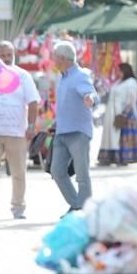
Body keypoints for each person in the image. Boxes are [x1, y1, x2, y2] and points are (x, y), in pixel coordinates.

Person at [0, 40, 40, 221]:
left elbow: (33, 102)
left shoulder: (23, 75)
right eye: (2, 55)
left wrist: (32, 125)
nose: (6, 59)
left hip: (16, 132)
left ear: (14, 55)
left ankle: (18, 207)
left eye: (9, 55)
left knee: (18, 172)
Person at [50, 40, 98, 214]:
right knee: (56, 171)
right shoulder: (61, 77)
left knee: (81, 173)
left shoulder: (81, 75)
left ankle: (84, 209)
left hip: (78, 132)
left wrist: (90, 99)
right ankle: (78, 205)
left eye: (55, 57)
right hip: (62, 131)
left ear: (62, 58)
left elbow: (91, 94)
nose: (53, 60)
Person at [97, 62, 137, 166]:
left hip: (123, 112)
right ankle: (109, 158)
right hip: (112, 111)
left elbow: (131, 100)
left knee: (122, 136)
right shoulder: (119, 82)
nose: (118, 73)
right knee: (110, 135)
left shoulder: (131, 82)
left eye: (119, 71)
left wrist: (124, 114)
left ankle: (123, 158)